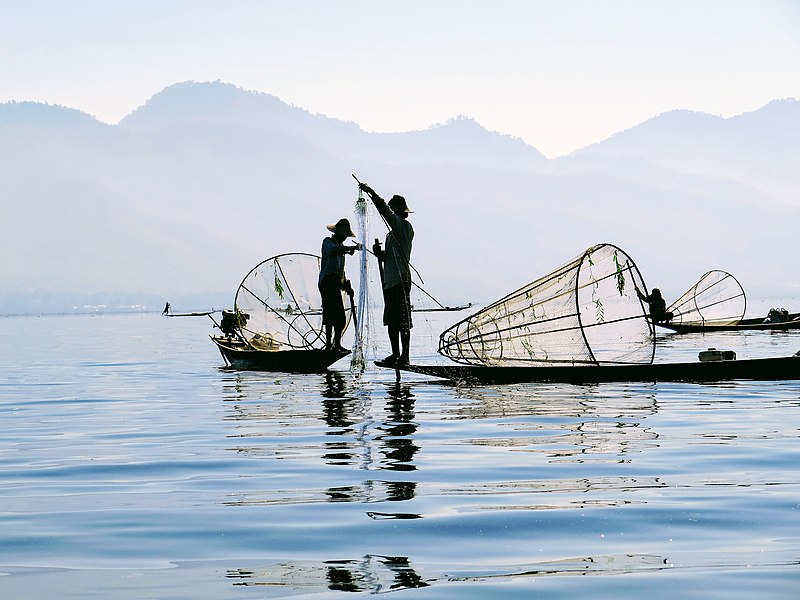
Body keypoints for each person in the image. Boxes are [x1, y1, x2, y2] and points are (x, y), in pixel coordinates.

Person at [358, 183, 414, 365]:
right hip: (390, 281)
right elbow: (387, 258)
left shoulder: (403, 227)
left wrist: (371, 192)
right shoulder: (392, 235)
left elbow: (383, 209)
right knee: (392, 320)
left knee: (403, 320)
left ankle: (404, 356)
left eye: (392, 209)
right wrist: (379, 253)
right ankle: (395, 355)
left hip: (399, 279)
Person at [319, 217, 361, 351]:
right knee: (331, 315)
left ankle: (335, 344)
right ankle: (329, 345)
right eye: (343, 236)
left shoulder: (341, 248)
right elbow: (332, 251)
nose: (344, 238)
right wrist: (350, 248)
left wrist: (347, 285)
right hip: (327, 283)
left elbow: (340, 271)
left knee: (339, 317)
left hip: (335, 283)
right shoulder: (328, 242)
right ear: (337, 233)